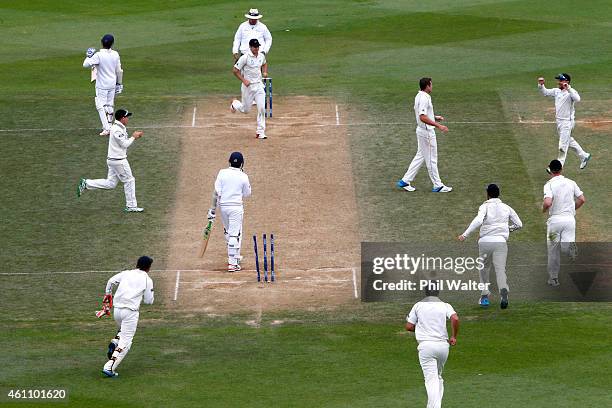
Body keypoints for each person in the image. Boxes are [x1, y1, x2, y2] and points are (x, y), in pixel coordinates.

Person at [457, 184, 523, 309]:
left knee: (484, 269)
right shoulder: (507, 207)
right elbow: (519, 224)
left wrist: (465, 235)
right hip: (500, 242)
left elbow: (478, 220)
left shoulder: (485, 206)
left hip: (485, 242)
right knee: (500, 269)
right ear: (498, 194)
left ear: (488, 194)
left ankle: (485, 297)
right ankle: (503, 293)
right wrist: (507, 229)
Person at [77, 109, 144, 212]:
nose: (128, 119)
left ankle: (86, 184)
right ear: (122, 118)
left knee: (111, 183)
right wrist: (133, 137)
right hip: (118, 161)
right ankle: (131, 206)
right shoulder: (117, 129)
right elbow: (124, 144)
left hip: (114, 160)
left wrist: (133, 137)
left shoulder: (119, 127)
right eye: (127, 117)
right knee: (129, 180)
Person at [406, 282, 459, 408]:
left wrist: (420, 329)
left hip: (426, 347)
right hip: (443, 347)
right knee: (438, 377)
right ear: (438, 292)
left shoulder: (418, 306)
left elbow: (409, 326)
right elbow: (455, 318)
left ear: (425, 292)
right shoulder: (445, 305)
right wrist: (453, 336)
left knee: (431, 379)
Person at [101, 256, 155, 377]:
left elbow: (110, 281)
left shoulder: (126, 273)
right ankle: (109, 367)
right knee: (126, 343)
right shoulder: (148, 280)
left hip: (117, 311)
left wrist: (108, 296)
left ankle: (115, 341)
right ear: (149, 268)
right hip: (130, 313)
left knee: (122, 331)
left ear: (137, 264)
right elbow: (149, 301)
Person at [397, 78, 452, 193]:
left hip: (421, 131)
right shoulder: (424, 98)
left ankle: (405, 181)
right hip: (427, 133)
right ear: (427, 86)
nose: (432, 86)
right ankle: (438, 185)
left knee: (421, 155)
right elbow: (422, 116)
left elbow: (422, 114)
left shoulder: (419, 96)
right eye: (431, 84)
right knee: (432, 159)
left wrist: (434, 117)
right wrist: (438, 125)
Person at [542, 159, 586, 287]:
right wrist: (572, 210)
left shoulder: (549, 184)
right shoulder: (571, 183)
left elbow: (547, 202)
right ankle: (570, 249)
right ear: (561, 170)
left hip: (554, 223)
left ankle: (553, 278)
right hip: (569, 221)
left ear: (550, 170)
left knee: (553, 250)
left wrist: (543, 209)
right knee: (566, 246)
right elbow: (582, 199)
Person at [208, 152, 252, 272]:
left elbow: (216, 192)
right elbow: (247, 194)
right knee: (234, 234)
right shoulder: (243, 176)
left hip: (224, 207)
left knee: (229, 232)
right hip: (236, 207)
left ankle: (234, 257)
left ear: (229, 162)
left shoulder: (222, 173)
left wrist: (212, 210)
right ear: (242, 164)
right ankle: (232, 263)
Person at [538, 74, 591, 172]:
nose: (558, 82)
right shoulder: (557, 91)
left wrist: (569, 88)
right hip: (559, 122)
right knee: (568, 141)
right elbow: (545, 92)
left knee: (562, 146)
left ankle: (556, 167)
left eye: (560, 80)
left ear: (566, 81)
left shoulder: (571, 91)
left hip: (567, 123)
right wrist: (541, 85)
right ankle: (584, 156)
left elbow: (578, 99)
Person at [83, 34, 124, 136]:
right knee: (109, 104)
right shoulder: (115, 54)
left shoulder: (98, 55)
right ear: (112, 43)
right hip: (112, 84)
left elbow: (85, 64)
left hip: (102, 85)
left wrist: (89, 56)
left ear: (102, 43)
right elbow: (119, 70)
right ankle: (109, 125)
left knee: (100, 105)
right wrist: (119, 83)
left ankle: (107, 128)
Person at [231, 39, 268, 139]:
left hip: (259, 86)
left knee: (261, 108)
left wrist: (264, 72)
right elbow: (235, 70)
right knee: (245, 110)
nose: (257, 49)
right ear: (250, 47)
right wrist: (244, 80)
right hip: (248, 87)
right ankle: (235, 104)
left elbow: (264, 63)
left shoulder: (261, 56)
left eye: (258, 47)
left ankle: (260, 132)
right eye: (255, 47)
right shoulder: (245, 58)